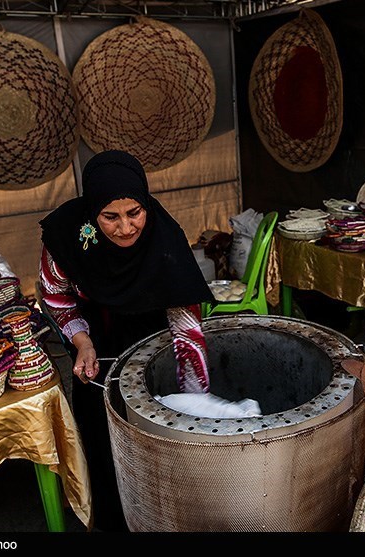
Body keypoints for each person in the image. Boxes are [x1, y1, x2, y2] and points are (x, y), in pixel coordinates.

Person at [38, 150, 214, 532]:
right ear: (92, 212)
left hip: (152, 342)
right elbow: (56, 295)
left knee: (156, 436)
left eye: (134, 212)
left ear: (146, 203)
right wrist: (82, 342)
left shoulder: (165, 238)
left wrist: (196, 401)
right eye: (110, 217)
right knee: (103, 437)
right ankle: (116, 523)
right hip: (95, 342)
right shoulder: (67, 234)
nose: (125, 228)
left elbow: (185, 327)